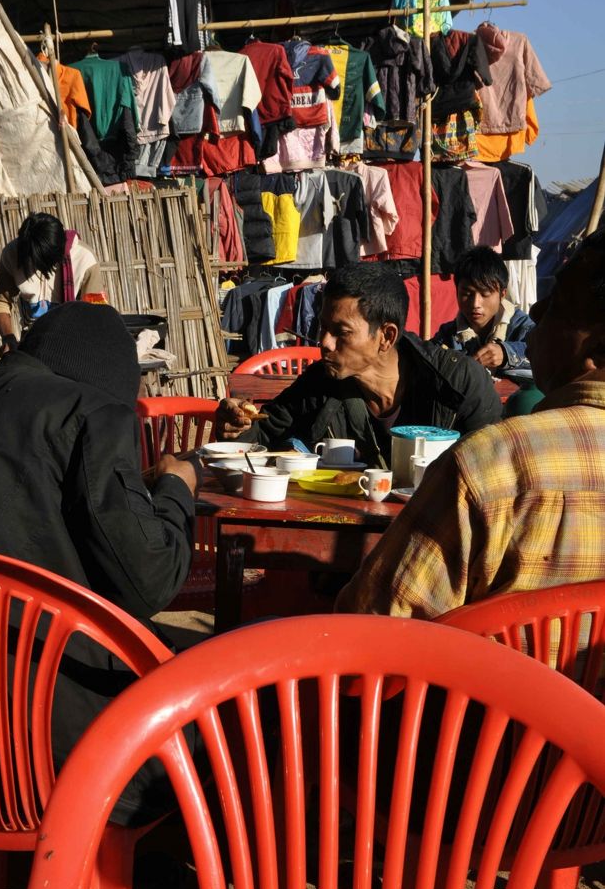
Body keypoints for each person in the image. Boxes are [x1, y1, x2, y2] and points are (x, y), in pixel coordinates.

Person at [0, 301, 199, 823]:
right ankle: (171, 880)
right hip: (54, 749)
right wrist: (178, 487)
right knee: (231, 694)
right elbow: (150, 579)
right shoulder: (89, 412)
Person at [336, 226, 605, 618]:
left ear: (597, 349)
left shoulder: (490, 464)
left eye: (558, 301)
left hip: (490, 680)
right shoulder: (447, 342)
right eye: (466, 292)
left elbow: (373, 619)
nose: (538, 310)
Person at [217, 262, 502, 467]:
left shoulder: (460, 383)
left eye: (340, 332)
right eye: (323, 328)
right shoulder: (320, 383)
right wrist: (235, 427)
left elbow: (494, 470)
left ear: (386, 336)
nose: (324, 343)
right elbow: (262, 437)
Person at [0, 212, 108, 355]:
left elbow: (97, 315)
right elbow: (0, 302)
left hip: (74, 344)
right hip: (32, 343)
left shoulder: (85, 259)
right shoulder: (13, 254)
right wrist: (8, 338)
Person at [431, 245, 535, 373]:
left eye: (485, 294)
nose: (475, 304)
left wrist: (506, 353)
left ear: (502, 295)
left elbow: (549, 350)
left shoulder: (523, 327)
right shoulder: (447, 335)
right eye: (466, 294)